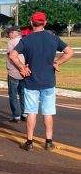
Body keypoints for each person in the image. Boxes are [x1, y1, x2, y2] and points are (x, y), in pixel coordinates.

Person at [9, 11, 74, 151]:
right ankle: (49, 142)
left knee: (31, 112)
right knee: (48, 112)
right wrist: (57, 63)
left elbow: (12, 55)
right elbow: (70, 52)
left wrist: (21, 67)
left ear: (32, 23)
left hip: (31, 81)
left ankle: (29, 142)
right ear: (45, 23)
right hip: (49, 82)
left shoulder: (26, 40)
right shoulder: (53, 38)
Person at [5, 26, 26, 123]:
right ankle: (25, 114)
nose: (9, 35)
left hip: (14, 72)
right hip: (25, 72)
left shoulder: (11, 42)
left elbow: (12, 57)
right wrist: (24, 68)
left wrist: (19, 68)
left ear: (13, 33)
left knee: (13, 95)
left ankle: (16, 116)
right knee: (23, 94)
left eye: (9, 33)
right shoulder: (25, 41)